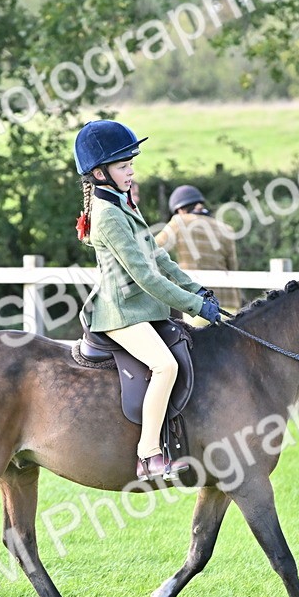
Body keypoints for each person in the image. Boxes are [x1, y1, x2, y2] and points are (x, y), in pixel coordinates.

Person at [74, 120, 220, 482]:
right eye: (124, 166)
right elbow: (146, 277)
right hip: (120, 312)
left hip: (144, 309)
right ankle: (148, 455)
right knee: (165, 366)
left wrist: (197, 289)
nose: (131, 171)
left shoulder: (125, 205)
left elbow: (161, 259)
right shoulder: (108, 216)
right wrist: (195, 306)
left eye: (130, 164)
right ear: (99, 173)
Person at [154, 184, 242, 317]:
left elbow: (153, 249)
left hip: (199, 305)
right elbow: (232, 268)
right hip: (229, 305)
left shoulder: (179, 222)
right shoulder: (226, 229)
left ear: (180, 209)